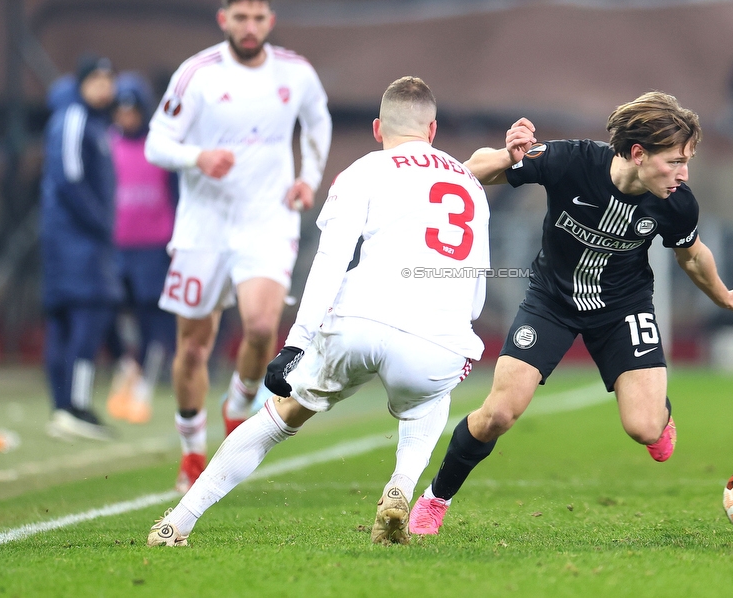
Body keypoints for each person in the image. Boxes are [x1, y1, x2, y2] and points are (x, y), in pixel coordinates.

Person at [147, 76, 508, 547]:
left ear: (378, 129)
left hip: (361, 321)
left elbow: (331, 259)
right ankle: (400, 485)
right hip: (437, 337)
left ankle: (180, 520)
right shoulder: (470, 184)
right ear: (433, 129)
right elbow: (476, 280)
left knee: (279, 418)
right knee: (429, 401)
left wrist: (296, 341)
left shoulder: (364, 171)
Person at [408, 91, 733, 534]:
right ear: (638, 153)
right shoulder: (569, 161)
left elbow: (692, 256)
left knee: (644, 428)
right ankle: (434, 499)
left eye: (686, 160)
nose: (683, 172)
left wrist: (725, 296)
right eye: (675, 160)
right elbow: (469, 173)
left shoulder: (676, 201)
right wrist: (508, 154)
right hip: (551, 303)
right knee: (498, 413)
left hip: (623, 309)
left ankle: (660, 412)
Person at [144, 0, 332, 492]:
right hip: (204, 225)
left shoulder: (295, 73)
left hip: (267, 220)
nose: (250, 27)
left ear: (269, 21)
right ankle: (190, 451)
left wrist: (306, 178)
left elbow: (318, 123)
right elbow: (157, 143)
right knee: (193, 347)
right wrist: (198, 156)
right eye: (240, 18)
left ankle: (238, 408)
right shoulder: (197, 74)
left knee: (259, 326)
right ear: (224, 19)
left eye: (258, 18)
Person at [40, 55, 122, 440]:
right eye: (97, 79)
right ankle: (73, 405)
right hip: (75, 242)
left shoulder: (93, 122)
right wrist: (102, 223)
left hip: (76, 240)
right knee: (87, 315)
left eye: (109, 79)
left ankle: (67, 406)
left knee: (71, 320)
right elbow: (71, 177)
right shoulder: (74, 118)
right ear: (81, 83)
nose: (105, 87)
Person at [104, 73, 177, 424]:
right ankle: (126, 364)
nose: (126, 116)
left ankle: (144, 384)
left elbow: (175, 196)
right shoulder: (106, 144)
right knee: (108, 310)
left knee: (152, 318)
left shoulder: (158, 148)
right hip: (116, 246)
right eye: (121, 109)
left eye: (132, 109)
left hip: (153, 246)